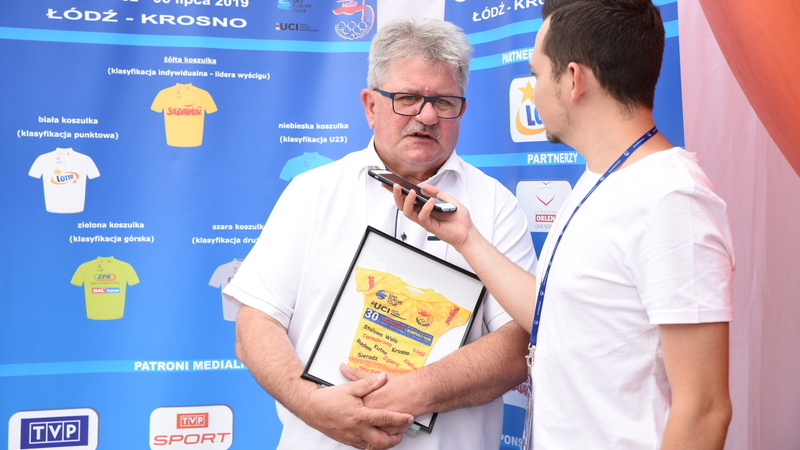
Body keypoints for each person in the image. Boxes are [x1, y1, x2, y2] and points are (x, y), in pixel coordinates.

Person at [393, 1, 735, 449]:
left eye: (537, 74)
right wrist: (467, 238)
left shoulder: (672, 200)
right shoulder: (601, 177)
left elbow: (705, 409)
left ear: (573, 80)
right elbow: (554, 314)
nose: (532, 92)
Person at [223, 18, 538, 450]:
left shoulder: (496, 204)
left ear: (462, 109)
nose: (427, 116)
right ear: (370, 106)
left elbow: (519, 342)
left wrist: (411, 392)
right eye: (408, 98)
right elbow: (255, 323)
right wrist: (313, 404)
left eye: (444, 101)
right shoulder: (312, 192)